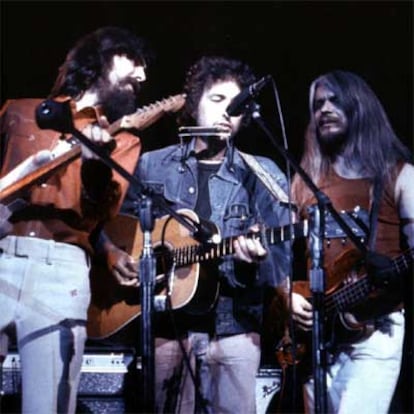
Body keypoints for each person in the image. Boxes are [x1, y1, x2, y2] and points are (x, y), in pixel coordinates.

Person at [103, 55, 292, 413]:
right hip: (164, 325)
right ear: (194, 105)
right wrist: (118, 257)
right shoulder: (150, 164)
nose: (226, 113)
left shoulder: (263, 174)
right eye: (216, 100)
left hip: (234, 328)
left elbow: (279, 265)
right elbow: (113, 228)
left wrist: (253, 261)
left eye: (235, 106)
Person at [0, 26, 150, 413]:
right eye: (134, 61)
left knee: (46, 406)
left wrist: (94, 168)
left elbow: (99, 214)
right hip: (2, 254)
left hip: (61, 271)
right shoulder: (18, 111)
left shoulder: (124, 139)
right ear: (102, 58)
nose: (143, 76)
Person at [290, 70, 414, 413]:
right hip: (318, 335)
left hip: (375, 329)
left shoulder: (400, 175)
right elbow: (286, 259)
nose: (325, 109)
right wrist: (288, 297)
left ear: (360, 106)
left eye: (335, 100)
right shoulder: (305, 183)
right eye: (318, 104)